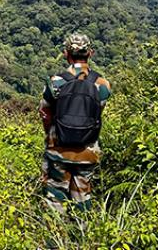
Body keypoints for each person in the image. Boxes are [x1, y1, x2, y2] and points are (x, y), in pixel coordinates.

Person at [39, 33, 112, 212]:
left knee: (55, 197)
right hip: (87, 150)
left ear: (66, 54)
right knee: (82, 198)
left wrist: (51, 136)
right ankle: (82, 228)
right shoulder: (102, 85)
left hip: (58, 149)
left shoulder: (55, 83)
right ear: (90, 53)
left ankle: (56, 228)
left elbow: (45, 114)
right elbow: (97, 113)